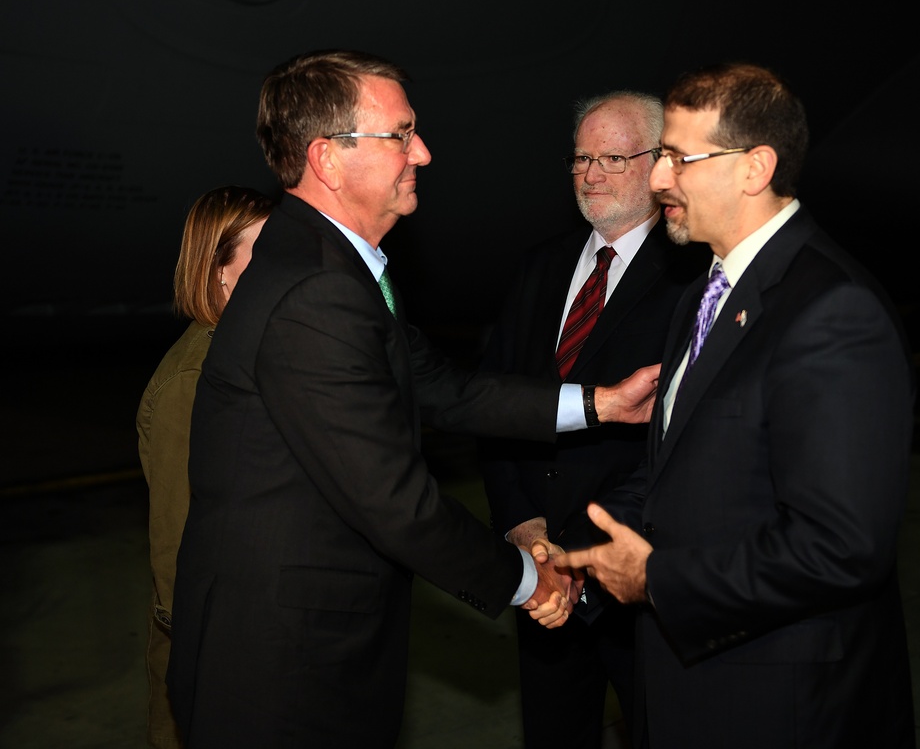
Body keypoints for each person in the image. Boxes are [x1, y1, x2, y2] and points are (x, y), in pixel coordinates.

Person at [166, 49, 660, 749]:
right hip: (282, 665)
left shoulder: (331, 264)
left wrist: (600, 403)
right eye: (400, 134)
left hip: (306, 644)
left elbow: (445, 389)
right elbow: (396, 503)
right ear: (329, 159)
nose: (422, 153)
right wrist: (533, 581)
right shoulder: (318, 291)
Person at [561, 63, 916, 748]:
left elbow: (841, 547)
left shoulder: (833, 311)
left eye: (677, 157)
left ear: (754, 168)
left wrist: (657, 578)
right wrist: (577, 551)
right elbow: (682, 466)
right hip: (695, 681)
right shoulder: (708, 289)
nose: (659, 178)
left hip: (779, 704)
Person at [478, 91, 702, 748]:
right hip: (540, 572)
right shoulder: (542, 266)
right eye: (581, 158)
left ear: (660, 164)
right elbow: (494, 402)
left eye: (612, 157)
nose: (591, 175)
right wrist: (521, 522)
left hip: (636, 576)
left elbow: (687, 442)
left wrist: (593, 557)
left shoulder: (692, 276)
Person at [136, 185, 271, 749]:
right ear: (218, 272)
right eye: (264, 257)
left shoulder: (243, 355)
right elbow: (176, 550)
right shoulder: (194, 383)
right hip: (213, 656)